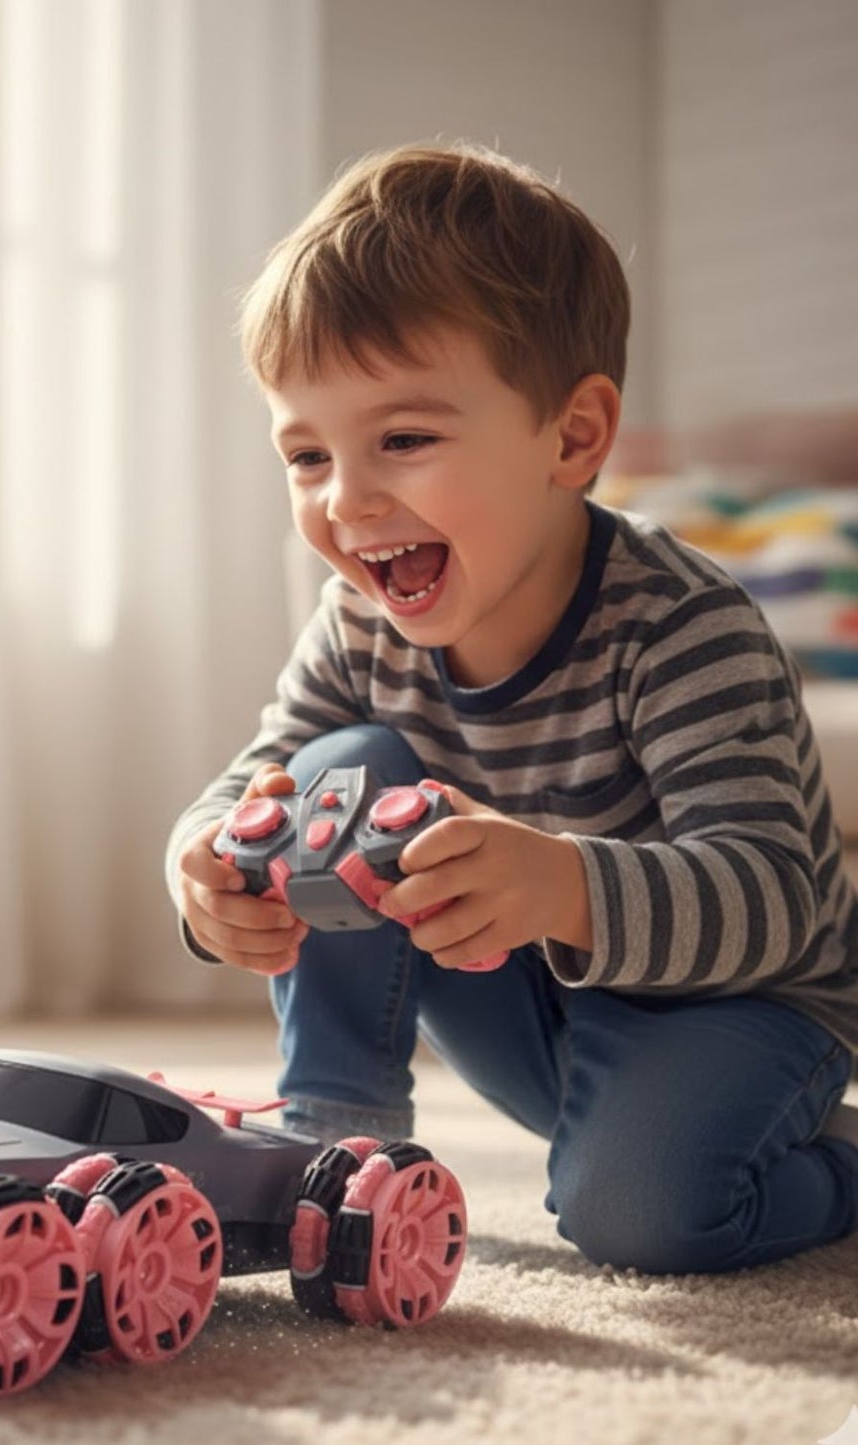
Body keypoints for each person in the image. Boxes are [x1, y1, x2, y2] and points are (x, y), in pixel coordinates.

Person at [165, 142, 858, 1275]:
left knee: (635, 1217)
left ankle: (837, 1165)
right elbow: (262, 778)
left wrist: (557, 880)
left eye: (403, 438)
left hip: (734, 1005)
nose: (345, 499)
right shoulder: (357, 623)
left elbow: (775, 897)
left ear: (572, 438)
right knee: (334, 767)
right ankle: (334, 1138)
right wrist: (198, 865)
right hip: (524, 996)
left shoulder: (678, 626)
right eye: (305, 454)